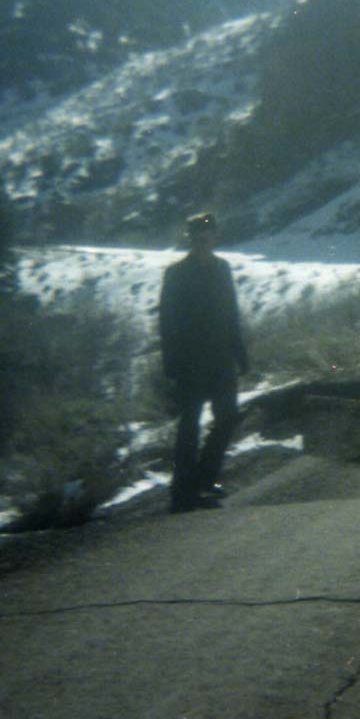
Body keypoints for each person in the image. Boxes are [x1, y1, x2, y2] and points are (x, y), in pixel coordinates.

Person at [159, 212, 249, 513]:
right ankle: (183, 490)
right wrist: (171, 363)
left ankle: (204, 479)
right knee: (190, 424)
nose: (202, 239)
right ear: (190, 238)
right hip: (190, 361)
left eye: (207, 234)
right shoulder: (176, 273)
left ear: (215, 236)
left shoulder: (223, 268)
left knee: (228, 417)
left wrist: (240, 353)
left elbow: (231, 313)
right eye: (197, 235)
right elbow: (167, 321)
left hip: (221, 357)